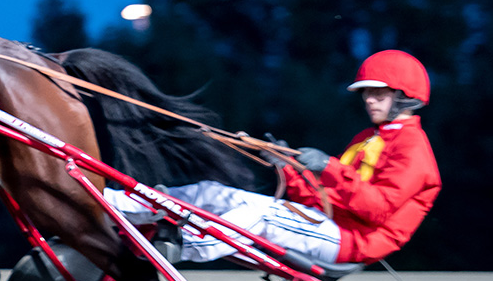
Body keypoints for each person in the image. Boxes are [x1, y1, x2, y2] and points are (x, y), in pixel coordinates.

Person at [105, 49, 441, 265]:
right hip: (324, 224)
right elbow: (325, 200)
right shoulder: (368, 139)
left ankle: (176, 246)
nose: (369, 100)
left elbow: (378, 208)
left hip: (351, 242)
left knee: (259, 214)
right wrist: (289, 169)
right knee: (210, 191)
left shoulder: (413, 149)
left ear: (404, 97)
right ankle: (116, 205)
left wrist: (328, 166)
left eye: (378, 93)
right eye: (367, 93)